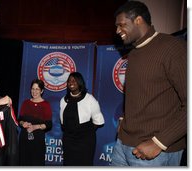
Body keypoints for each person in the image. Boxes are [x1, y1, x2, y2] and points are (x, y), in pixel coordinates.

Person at [111, 1, 187, 166]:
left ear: (138, 20)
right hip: (122, 145)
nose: (117, 31)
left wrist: (159, 142)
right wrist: (124, 119)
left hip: (154, 152)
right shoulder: (133, 54)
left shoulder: (173, 48)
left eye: (121, 25)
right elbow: (138, 95)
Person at [60, 72, 105, 166]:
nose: (71, 82)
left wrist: (86, 133)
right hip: (68, 140)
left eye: (74, 80)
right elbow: (63, 122)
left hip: (85, 141)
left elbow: (98, 121)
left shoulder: (89, 99)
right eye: (69, 81)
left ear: (80, 82)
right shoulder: (63, 100)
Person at [18, 78, 52, 166]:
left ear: (42, 91)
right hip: (24, 140)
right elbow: (19, 119)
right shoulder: (25, 103)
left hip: (38, 141)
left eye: (37, 89)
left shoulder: (46, 105)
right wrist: (23, 123)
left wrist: (35, 127)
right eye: (33, 89)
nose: (34, 91)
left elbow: (49, 124)